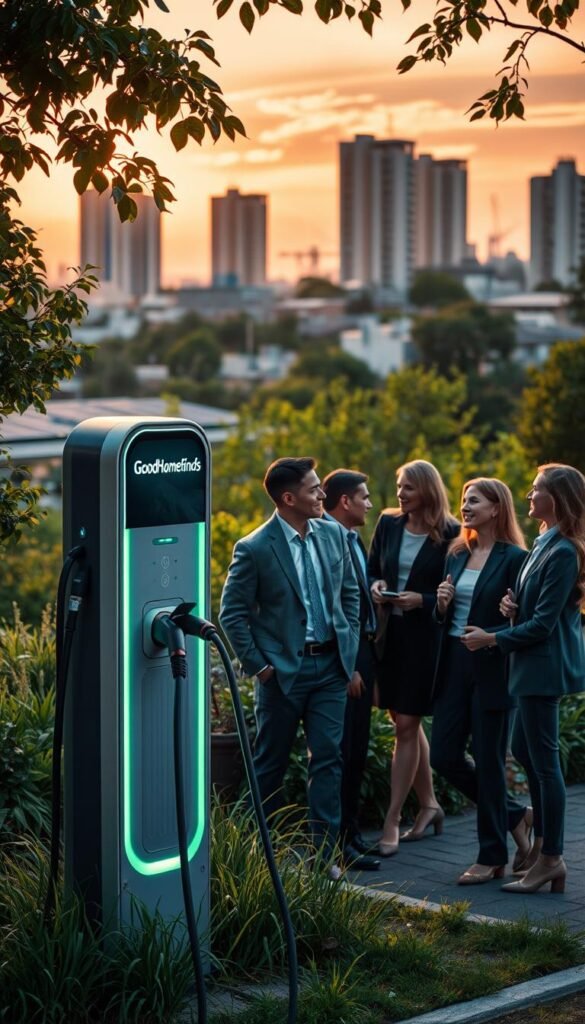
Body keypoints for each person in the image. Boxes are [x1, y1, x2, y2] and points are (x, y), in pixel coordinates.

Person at [219, 456, 360, 877]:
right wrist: (261, 668)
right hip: (281, 677)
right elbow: (232, 614)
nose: (322, 494)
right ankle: (240, 856)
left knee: (329, 760)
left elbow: (349, 593)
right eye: (315, 488)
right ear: (288, 497)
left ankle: (324, 858)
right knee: (269, 764)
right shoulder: (254, 547)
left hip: (330, 669)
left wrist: (347, 647)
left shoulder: (333, 534)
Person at [463, 463, 585, 894]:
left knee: (546, 765)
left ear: (557, 498)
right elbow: (533, 612)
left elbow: (543, 627)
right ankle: (539, 838)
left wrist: (492, 638)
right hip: (529, 667)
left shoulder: (565, 550)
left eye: (537, 490)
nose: (529, 496)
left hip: (543, 668)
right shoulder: (543, 543)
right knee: (524, 750)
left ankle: (551, 857)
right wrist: (515, 607)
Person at [430, 478, 531, 884]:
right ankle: (515, 814)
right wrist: (440, 605)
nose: (465, 506)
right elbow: (442, 617)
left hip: (491, 665)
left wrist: (510, 614)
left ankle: (492, 857)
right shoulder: (457, 554)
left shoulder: (516, 558)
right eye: (464, 499)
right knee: (444, 755)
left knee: (489, 762)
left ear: (496, 507)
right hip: (454, 662)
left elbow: (522, 618)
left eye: (474, 500)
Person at [368, 459, 459, 856]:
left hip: (425, 641)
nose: (400, 494)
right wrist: (378, 585)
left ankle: (392, 819)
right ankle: (430, 805)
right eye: (399, 487)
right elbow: (371, 569)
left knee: (406, 722)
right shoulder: (388, 524)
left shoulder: (453, 535)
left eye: (407, 487)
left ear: (427, 489)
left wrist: (420, 600)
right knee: (404, 721)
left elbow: (454, 591)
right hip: (390, 637)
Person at [322, 468, 381, 872]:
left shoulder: (353, 538)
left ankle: (352, 834)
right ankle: (339, 841)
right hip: (345, 658)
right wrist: (348, 668)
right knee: (340, 752)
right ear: (345, 501)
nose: (369, 504)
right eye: (363, 497)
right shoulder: (326, 540)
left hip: (364, 654)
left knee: (357, 747)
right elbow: (331, 609)